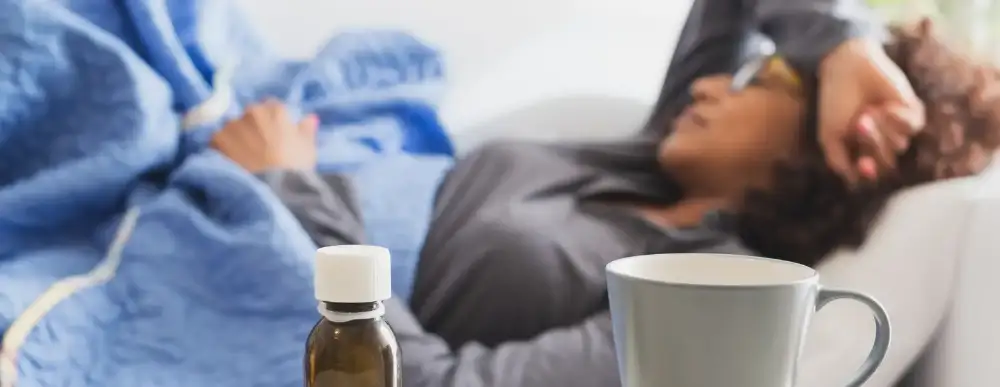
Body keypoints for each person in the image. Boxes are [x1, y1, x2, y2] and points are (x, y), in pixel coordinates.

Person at [210, 0, 1000, 385]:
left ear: (832, 150)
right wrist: (843, 49)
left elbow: (424, 381)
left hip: (280, 240)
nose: (718, 83)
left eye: (768, 77)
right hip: (277, 165)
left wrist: (290, 187)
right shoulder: (651, 155)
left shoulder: (691, 295)